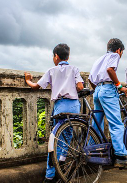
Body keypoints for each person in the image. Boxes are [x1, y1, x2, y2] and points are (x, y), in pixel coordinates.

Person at [24, 43, 84, 182]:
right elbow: (80, 86)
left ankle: (50, 175)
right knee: (68, 134)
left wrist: (28, 80)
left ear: (56, 56)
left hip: (60, 105)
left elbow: (35, 87)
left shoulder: (52, 71)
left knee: (55, 138)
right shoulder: (74, 69)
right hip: (74, 105)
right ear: (68, 56)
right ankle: (62, 162)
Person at [88, 38, 127, 168]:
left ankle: (93, 150)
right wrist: (120, 86)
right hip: (107, 90)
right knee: (116, 123)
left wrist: (97, 89)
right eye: (121, 52)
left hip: (98, 91)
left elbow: (91, 78)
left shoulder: (99, 59)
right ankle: (120, 155)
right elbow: (110, 70)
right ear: (119, 50)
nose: (121, 55)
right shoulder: (114, 55)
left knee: (97, 123)